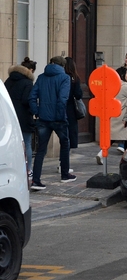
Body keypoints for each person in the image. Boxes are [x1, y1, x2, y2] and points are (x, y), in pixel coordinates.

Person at [29, 56, 74, 190]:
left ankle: (36, 180)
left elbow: (32, 97)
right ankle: (65, 174)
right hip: (58, 119)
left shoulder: (41, 77)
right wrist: (60, 116)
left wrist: (36, 112)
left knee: (41, 150)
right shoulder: (65, 78)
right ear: (63, 66)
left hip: (43, 118)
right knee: (65, 144)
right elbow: (62, 99)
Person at [5, 57, 37, 180]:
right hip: (23, 117)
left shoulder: (9, 80)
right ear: (30, 70)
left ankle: (13, 168)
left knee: (12, 145)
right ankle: (28, 170)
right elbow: (26, 100)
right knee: (27, 143)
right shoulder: (28, 82)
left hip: (9, 116)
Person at [96, 67, 127, 165]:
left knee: (111, 137)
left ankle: (101, 153)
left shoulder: (110, 86)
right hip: (124, 116)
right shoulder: (124, 86)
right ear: (122, 75)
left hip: (113, 114)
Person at [63, 57, 83, 174]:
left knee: (63, 137)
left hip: (60, 109)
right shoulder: (74, 79)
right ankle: (65, 165)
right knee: (69, 137)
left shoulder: (61, 77)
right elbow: (78, 94)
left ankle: (62, 164)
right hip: (70, 110)